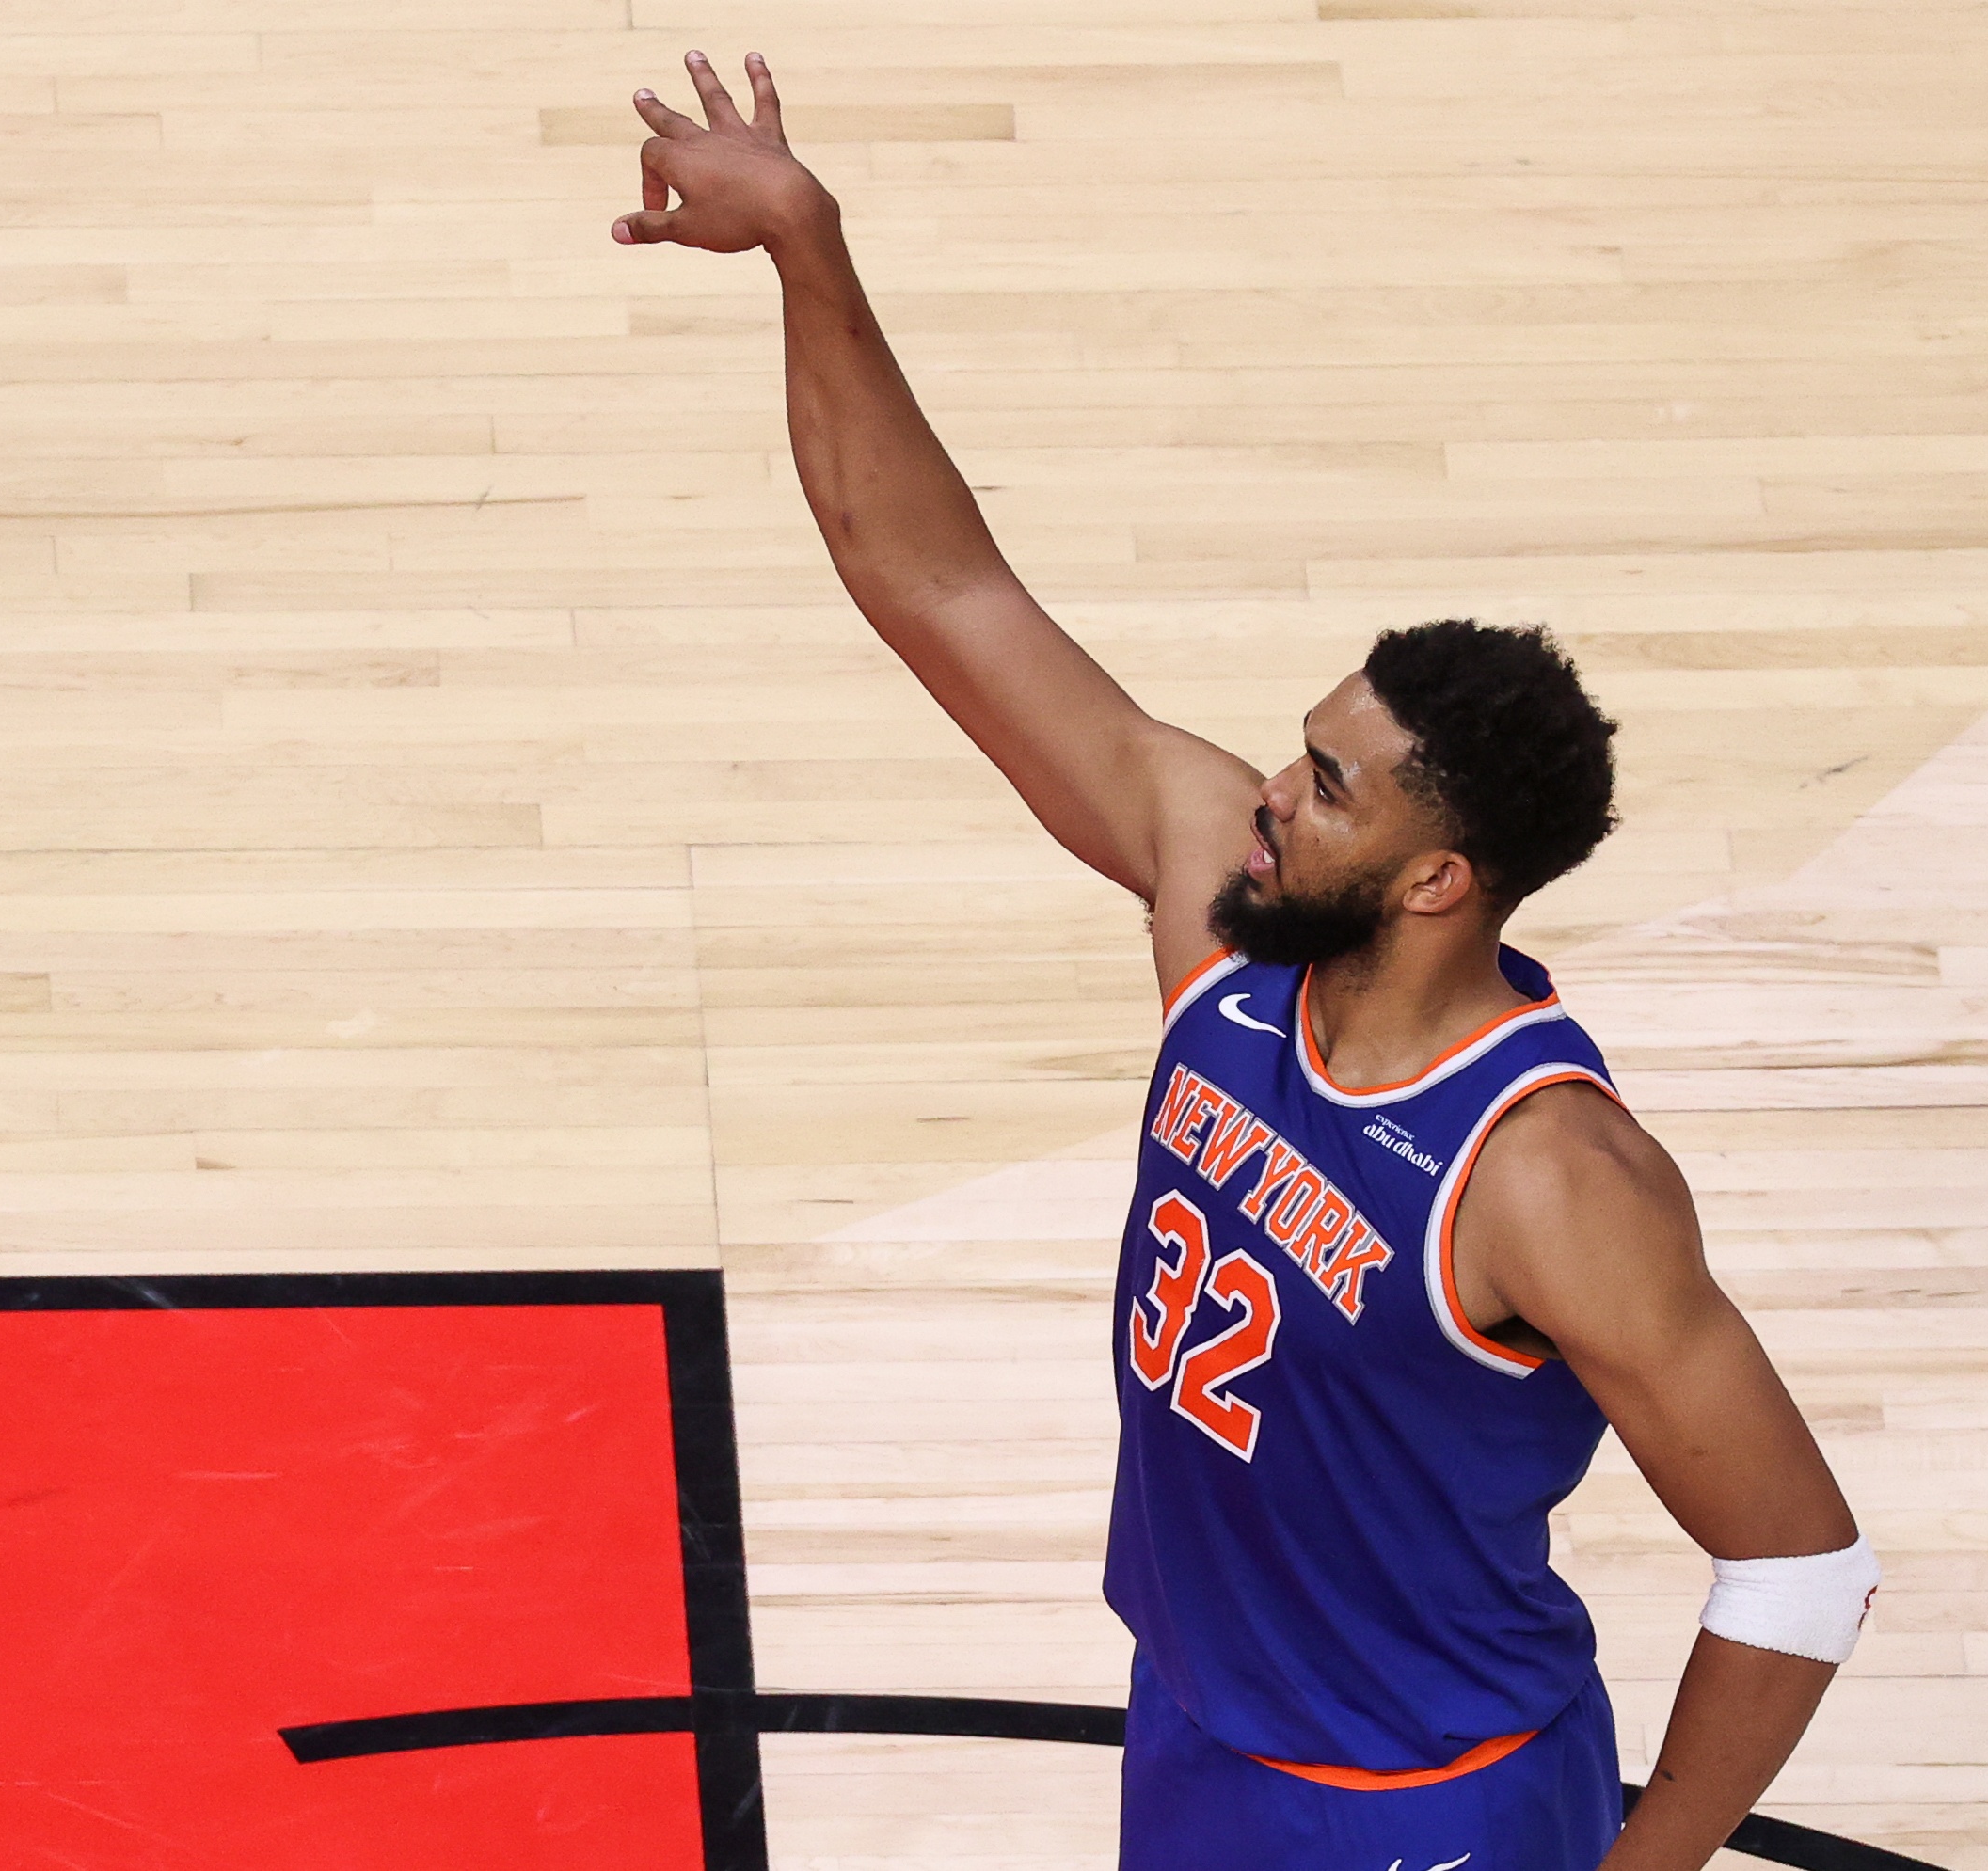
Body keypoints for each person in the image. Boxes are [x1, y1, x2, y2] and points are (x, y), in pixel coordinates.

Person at [611, 52, 1876, 1870]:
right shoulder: (1225, 919)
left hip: (1422, 1807)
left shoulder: (1546, 1176)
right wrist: (810, 248)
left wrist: (1642, 1861)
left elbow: (1801, 1563)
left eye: (1330, 786)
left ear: (1439, 879)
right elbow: (938, 586)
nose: (1271, 792)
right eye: (1301, 749)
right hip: (1202, 1731)